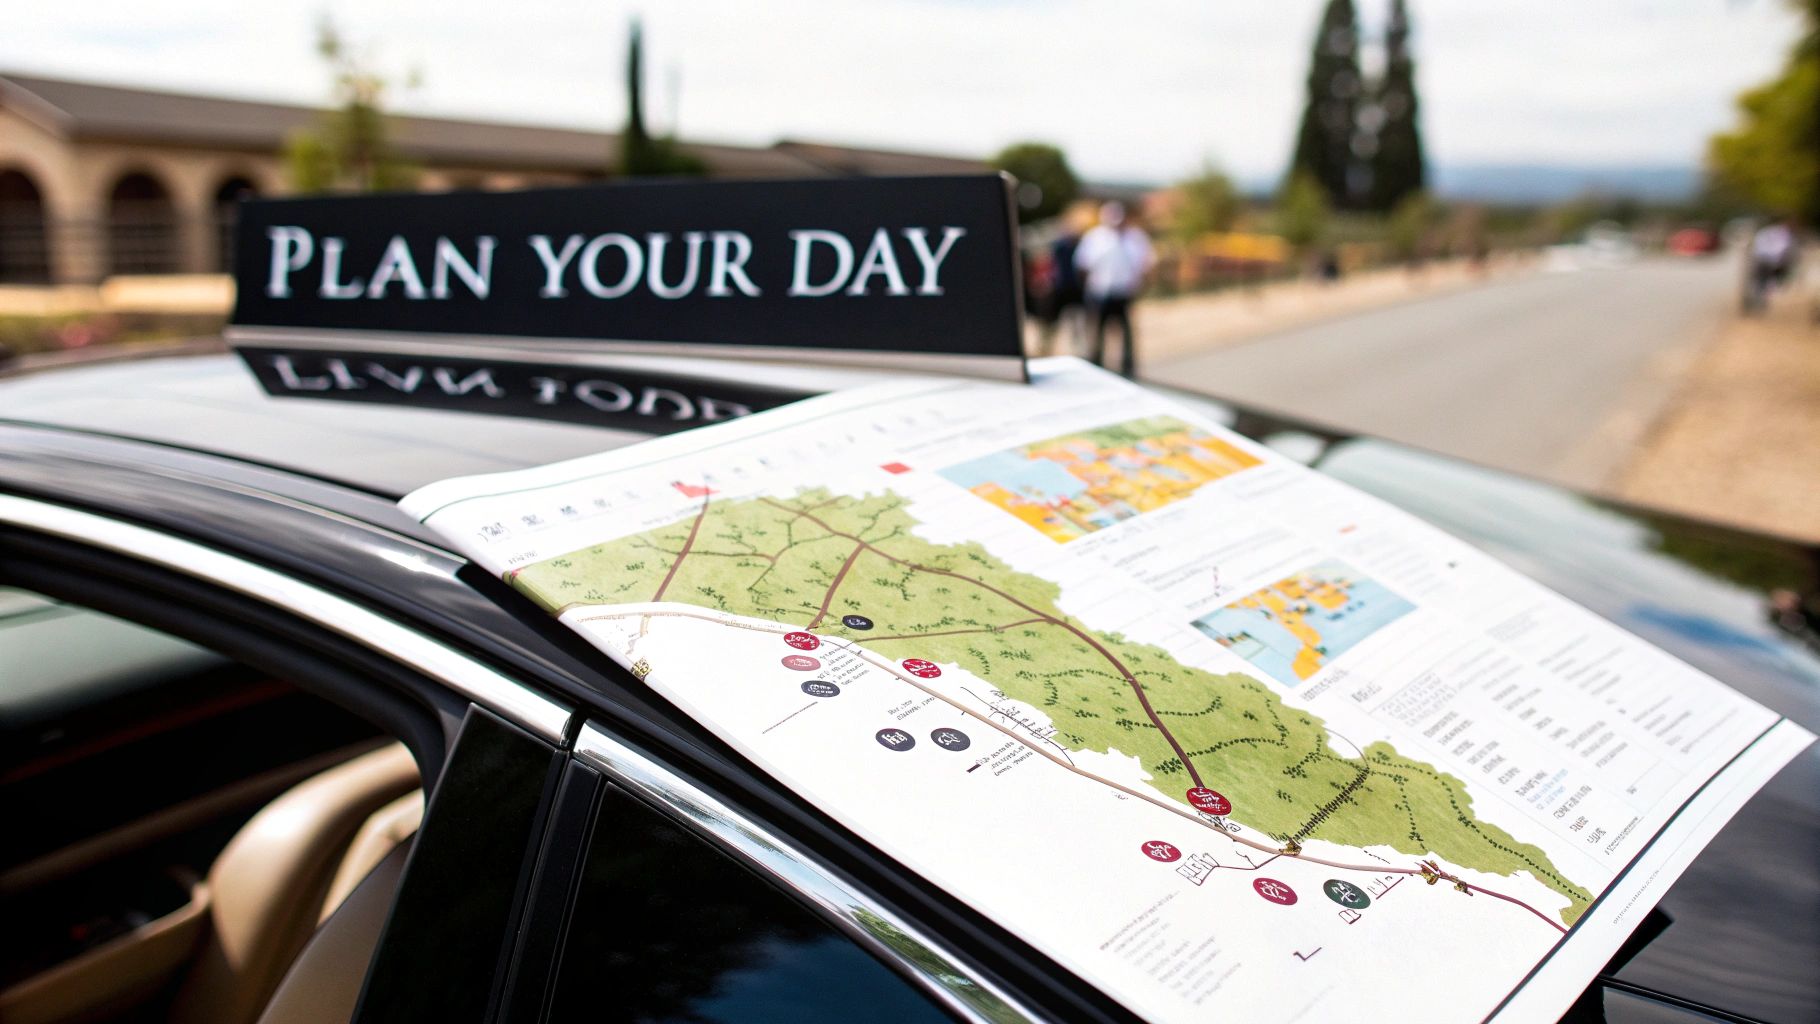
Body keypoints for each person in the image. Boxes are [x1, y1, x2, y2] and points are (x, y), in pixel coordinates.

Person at [1074, 202, 1154, 376]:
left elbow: (1146, 263)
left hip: (1124, 292)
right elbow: (1082, 264)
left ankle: (1128, 368)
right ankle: (1097, 366)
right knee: (1098, 331)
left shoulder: (1135, 237)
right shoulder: (1094, 237)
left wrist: (1141, 284)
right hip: (1100, 292)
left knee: (1125, 332)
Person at [1743, 217, 1797, 315]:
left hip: (1761, 259)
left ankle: (1756, 303)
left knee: (1759, 282)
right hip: (1769, 261)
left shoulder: (1765, 232)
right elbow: (1783, 249)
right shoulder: (1783, 235)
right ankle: (1758, 303)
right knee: (1765, 282)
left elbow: (1757, 246)